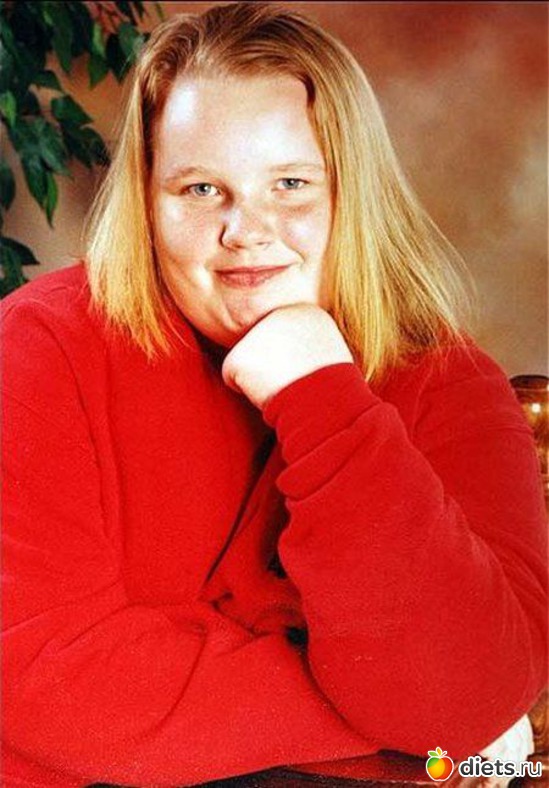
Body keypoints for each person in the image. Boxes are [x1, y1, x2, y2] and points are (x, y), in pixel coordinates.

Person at [2, 3, 547, 787]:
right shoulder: (38, 346)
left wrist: (320, 395)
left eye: (290, 184)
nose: (245, 230)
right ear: (147, 202)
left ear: (350, 193)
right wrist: (383, 715)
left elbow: (469, 691)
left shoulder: (447, 381)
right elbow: (44, 683)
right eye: (199, 189)